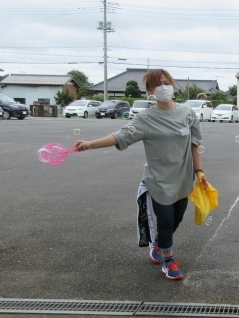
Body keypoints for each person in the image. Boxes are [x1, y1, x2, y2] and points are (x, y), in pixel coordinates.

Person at [73, 68, 207, 281]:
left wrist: (199, 171)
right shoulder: (145, 118)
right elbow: (120, 136)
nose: (164, 87)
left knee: (177, 219)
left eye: (166, 82)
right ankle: (168, 260)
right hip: (159, 180)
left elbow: (195, 144)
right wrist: (90, 143)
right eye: (158, 85)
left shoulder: (187, 113)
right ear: (150, 91)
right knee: (165, 219)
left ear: (173, 85)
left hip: (183, 178)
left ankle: (159, 243)